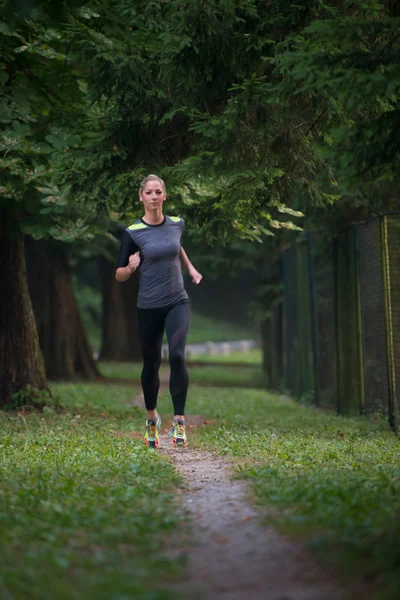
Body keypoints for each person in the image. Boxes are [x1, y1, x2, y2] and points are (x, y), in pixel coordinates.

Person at [115, 174, 202, 448]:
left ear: (164, 196)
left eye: (158, 192)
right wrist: (129, 269)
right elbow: (118, 274)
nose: (154, 197)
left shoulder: (177, 224)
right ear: (142, 197)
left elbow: (175, 245)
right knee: (151, 364)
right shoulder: (132, 233)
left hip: (177, 300)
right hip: (148, 306)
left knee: (176, 356)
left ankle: (178, 422)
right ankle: (152, 420)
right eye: (149, 193)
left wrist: (190, 267)